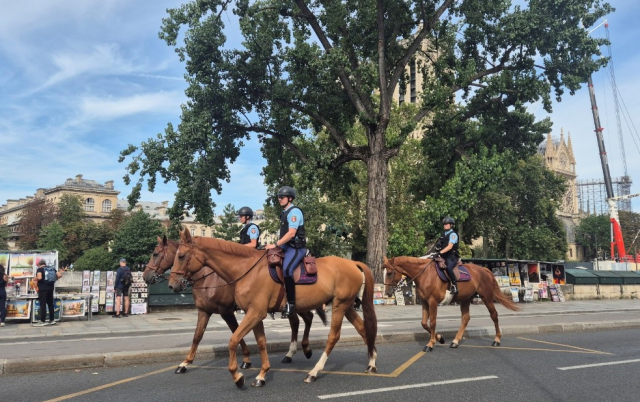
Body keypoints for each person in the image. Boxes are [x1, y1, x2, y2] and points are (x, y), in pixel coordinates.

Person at [265, 186, 307, 318]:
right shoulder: (284, 213)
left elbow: (291, 233)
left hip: (295, 248)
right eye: (278, 197)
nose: (279, 199)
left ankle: (291, 303)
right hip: (285, 248)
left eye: (282, 197)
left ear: (290, 198)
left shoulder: (294, 212)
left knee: (287, 270)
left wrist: (275, 244)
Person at [33, 259, 62, 326]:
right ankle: (52, 319)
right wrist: (55, 279)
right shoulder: (52, 269)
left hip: (43, 289)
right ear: (45, 263)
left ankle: (42, 320)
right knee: (50, 303)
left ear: (39, 264)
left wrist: (35, 279)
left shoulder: (40, 269)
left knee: (43, 304)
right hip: (51, 288)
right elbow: (60, 275)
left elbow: (39, 278)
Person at [437, 216, 459, 295]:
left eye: (446, 224)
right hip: (443, 257)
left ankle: (454, 285)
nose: (445, 225)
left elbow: (450, 247)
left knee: (449, 268)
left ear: (451, 225)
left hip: (451, 257)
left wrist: (440, 252)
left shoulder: (453, 235)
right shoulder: (442, 235)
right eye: (444, 224)